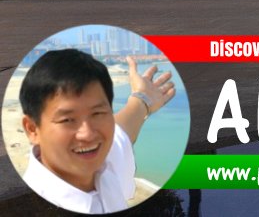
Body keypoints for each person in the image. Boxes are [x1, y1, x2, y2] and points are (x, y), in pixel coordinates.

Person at [19, 49, 175, 214]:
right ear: (32, 129)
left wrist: (143, 98)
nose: (88, 134)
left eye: (97, 113)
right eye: (67, 120)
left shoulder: (103, 164)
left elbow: (122, 132)